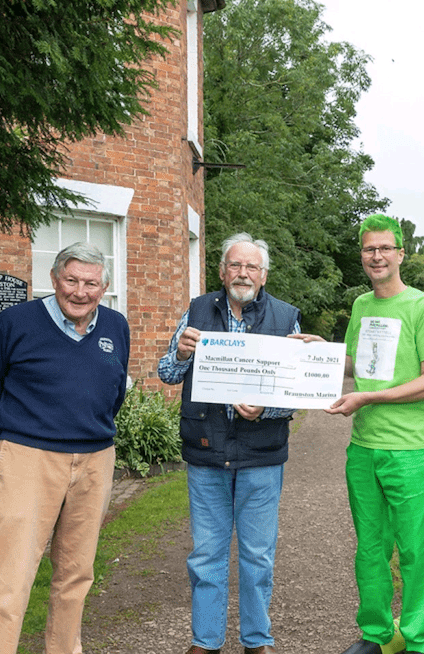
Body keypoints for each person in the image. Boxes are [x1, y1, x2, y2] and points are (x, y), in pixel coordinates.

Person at [158, 233, 313, 654]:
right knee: (206, 555)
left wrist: (266, 410)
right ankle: (205, 641)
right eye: (235, 266)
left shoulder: (285, 319)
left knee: (258, 556)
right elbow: (168, 374)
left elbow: (296, 392)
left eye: (251, 267)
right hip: (206, 450)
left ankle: (256, 640)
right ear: (223, 271)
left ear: (263, 275)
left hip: (261, 456)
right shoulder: (195, 311)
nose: (242, 273)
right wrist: (183, 355)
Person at [0, 242, 130, 654]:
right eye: (72, 280)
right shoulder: (15, 322)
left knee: (76, 574)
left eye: (91, 283)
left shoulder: (117, 326)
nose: (80, 292)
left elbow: (113, 392)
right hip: (30, 456)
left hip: (96, 459)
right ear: (54, 280)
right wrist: (24, 438)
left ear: (105, 286)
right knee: (11, 573)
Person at [325, 214, 424, 654]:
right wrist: (315, 354)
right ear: (361, 255)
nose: (376, 256)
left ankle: (421, 641)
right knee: (370, 548)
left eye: (384, 248)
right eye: (368, 249)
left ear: (402, 253)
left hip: (411, 450)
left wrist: (367, 399)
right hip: (364, 448)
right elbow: (358, 364)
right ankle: (376, 635)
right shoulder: (362, 307)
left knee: (417, 550)